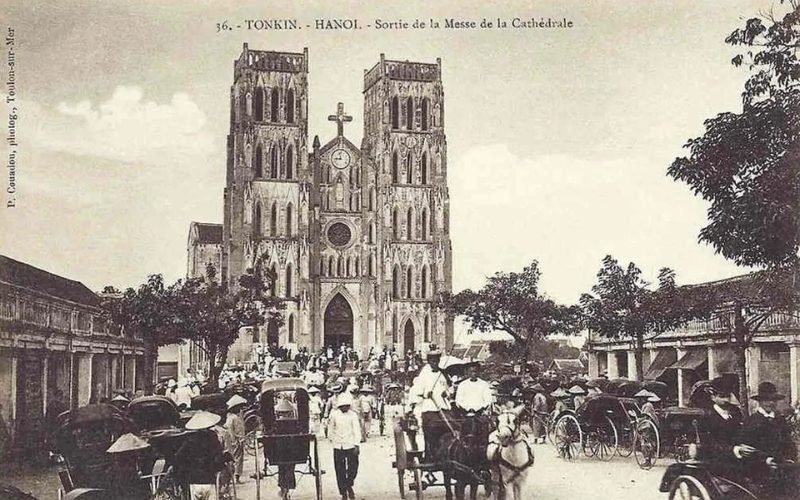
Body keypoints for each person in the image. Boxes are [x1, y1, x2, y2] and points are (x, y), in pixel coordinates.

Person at [732, 382, 797, 494]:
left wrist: (790, 458)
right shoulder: (751, 422)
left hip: (782, 468)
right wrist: (765, 460)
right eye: (766, 400)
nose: (771, 403)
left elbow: (788, 443)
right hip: (760, 470)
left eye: (773, 400)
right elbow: (747, 450)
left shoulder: (780, 420)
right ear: (760, 402)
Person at [174, 410, 228, 499]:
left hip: (194, 481)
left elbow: (179, 457)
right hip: (209, 480)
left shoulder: (190, 440)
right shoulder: (212, 438)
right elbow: (218, 457)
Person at [409, 348, 451, 460]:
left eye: (437, 360)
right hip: (429, 407)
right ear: (429, 361)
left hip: (443, 407)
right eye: (432, 360)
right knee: (433, 427)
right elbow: (417, 392)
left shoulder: (443, 374)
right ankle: (431, 452)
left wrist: (445, 393)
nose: (435, 363)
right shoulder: (424, 374)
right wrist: (426, 394)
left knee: (452, 426)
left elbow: (447, 389)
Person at [329, 392, 362, 500]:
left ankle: (349, 484)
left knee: (353, 467)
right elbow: (331, 428)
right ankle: (343, 491)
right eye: (343, 406)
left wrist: (357, 445)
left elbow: (357, 430)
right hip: (338, 445)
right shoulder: (334, 414)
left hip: (351, 444)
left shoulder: (353, 415)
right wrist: (333, 440)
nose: (345, 408)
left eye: (347, 406)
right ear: (340, 406)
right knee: (340, 469)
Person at [224, 394, 247, 483]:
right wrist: (241, 440)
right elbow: (239, 431)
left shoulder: (229, 417)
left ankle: (231, 477)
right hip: (236, 440)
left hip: (229, 440)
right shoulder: (235, 418)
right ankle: (237, 477)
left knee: (231, 458)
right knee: (238, 459)